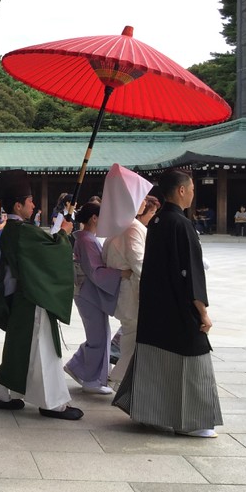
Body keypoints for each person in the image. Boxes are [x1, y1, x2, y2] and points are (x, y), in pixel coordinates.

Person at [113, 169, 222, 438]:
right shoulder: (182, 225)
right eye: (193, 188)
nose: (194, 193)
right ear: (182, 190)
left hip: (156, 307)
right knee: (192, 360)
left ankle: (151, 414)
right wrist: (202, 312)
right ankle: (193, 422)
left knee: (155, 360)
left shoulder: (158, 221)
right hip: (178, 308)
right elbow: (190, 272)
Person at [0, 170, 82, 420]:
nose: (34, 205)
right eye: (30, 201)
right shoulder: (22, 231)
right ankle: (53, 402)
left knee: (19, 348)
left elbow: (43, 245)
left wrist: (62, 230)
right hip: (33, 298)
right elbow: (51, 251)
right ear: (18, 205)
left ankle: (6, 392)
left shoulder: (17, 230)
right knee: (43, 349)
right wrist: (65, 234)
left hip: (21, 299)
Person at [97, 164, 155, 385]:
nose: (144, 202)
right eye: (141, 198)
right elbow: (139, 263)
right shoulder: (132, 228)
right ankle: (118, 380)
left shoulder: (119, 227)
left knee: (130, 338)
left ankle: (118, 379)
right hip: (132, 293)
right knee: (132, 339)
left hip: (123, 291)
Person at [65, 202, 130, 395]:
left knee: (99, 335)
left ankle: (79, 368)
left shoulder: (86, 239)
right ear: (94, 218)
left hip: (87, 292)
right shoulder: (87, 240)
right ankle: (90, 379)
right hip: (88, 293)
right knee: (98, 337)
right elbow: (96, 272)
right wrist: (120, 273)